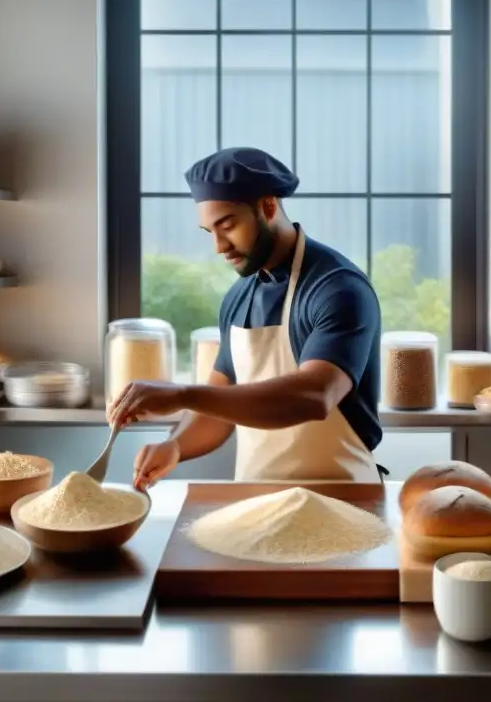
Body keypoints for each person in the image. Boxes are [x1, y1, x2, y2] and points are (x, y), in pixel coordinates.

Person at [109, 146, 385, 488]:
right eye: (210, 232)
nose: (219, 246)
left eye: (227, 225)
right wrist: (175, 447)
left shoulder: (338, 288)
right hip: (256, 499)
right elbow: (217, 415)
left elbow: (314, 396)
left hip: (343, 498)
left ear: (268, 206)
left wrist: (180, 394)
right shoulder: (238, 299)